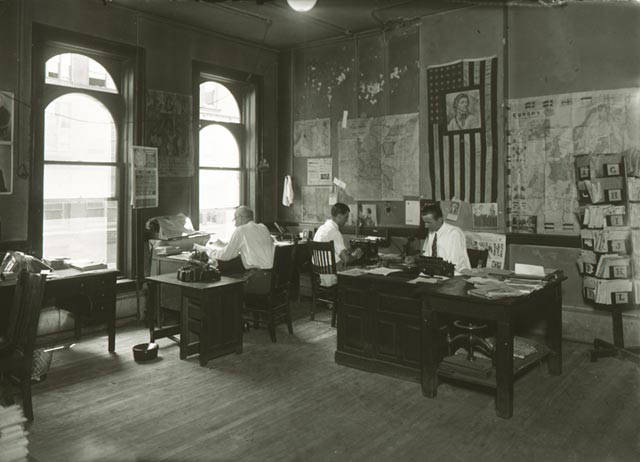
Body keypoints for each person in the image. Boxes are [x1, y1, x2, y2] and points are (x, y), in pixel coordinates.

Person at [197, 205, 275, 294]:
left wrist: (208, 251)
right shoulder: (263, 227)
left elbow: (226, 255)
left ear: (241, 218)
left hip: (258, 281)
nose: (235, 224)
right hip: (271, 278)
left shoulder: (241, 230)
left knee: (224, 289)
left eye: (235, 219)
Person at [314, 202, 363, 273]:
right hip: (331, 272)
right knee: (361, 271)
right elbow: (346, 259)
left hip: (317, 271)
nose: (346, 220)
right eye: (346, 217)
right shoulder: (334, 232)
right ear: (339, 216)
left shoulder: (321, 228)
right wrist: (356, 255)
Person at [421, 202, 470, 272]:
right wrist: (415, 259)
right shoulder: (431, 232)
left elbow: (455, 263)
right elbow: (427, 255)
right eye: (424, 222)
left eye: (429, 222)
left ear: (440, 220)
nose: (426, 226)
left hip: (456, 274)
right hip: (438, 273)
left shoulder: (454, 233)